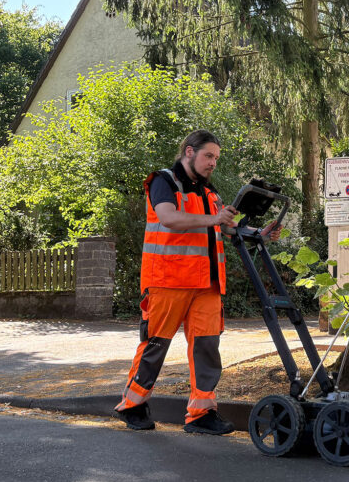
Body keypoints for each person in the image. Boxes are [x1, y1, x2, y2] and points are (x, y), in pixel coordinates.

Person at [113, 130, 280, 434]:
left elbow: (228, 228)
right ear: (189, 152)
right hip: (168, 280)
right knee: (155, 346)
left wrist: (260, 234)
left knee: (206, 348)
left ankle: (201, 413)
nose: (213, 162)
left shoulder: (209, 192)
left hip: (207, 284)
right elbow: (169, 218)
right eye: (209, 156)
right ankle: (132, 405)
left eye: (216, 157)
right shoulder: (164, 182)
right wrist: (215, 220)